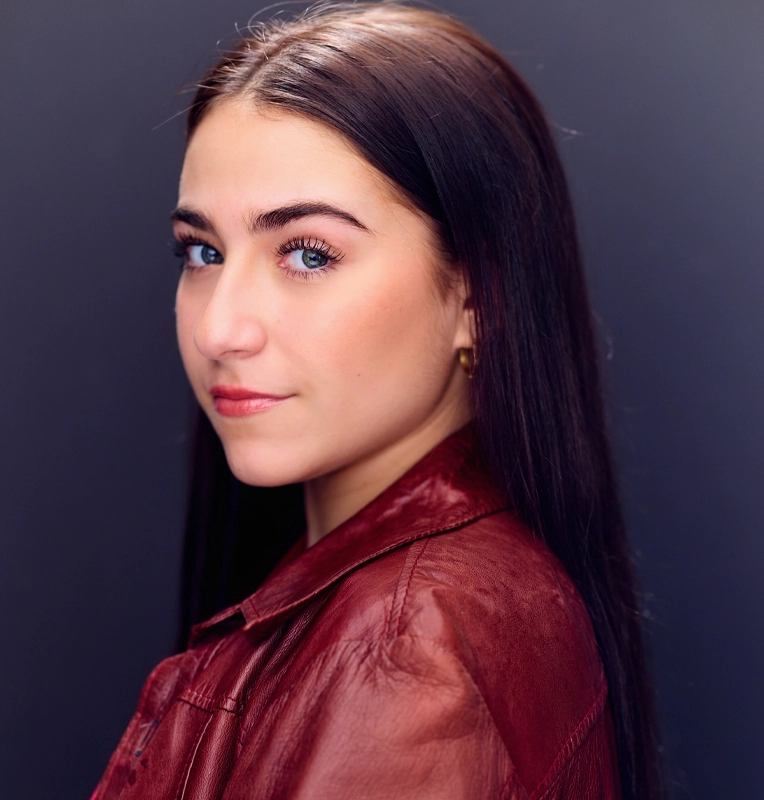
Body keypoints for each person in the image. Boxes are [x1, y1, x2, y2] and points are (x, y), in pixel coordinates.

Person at [93, 2, 665, 798]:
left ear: (477, 297)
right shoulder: (418, 600)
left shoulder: (412, 642)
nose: (221, 328)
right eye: (203, 251)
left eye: (308, 252)